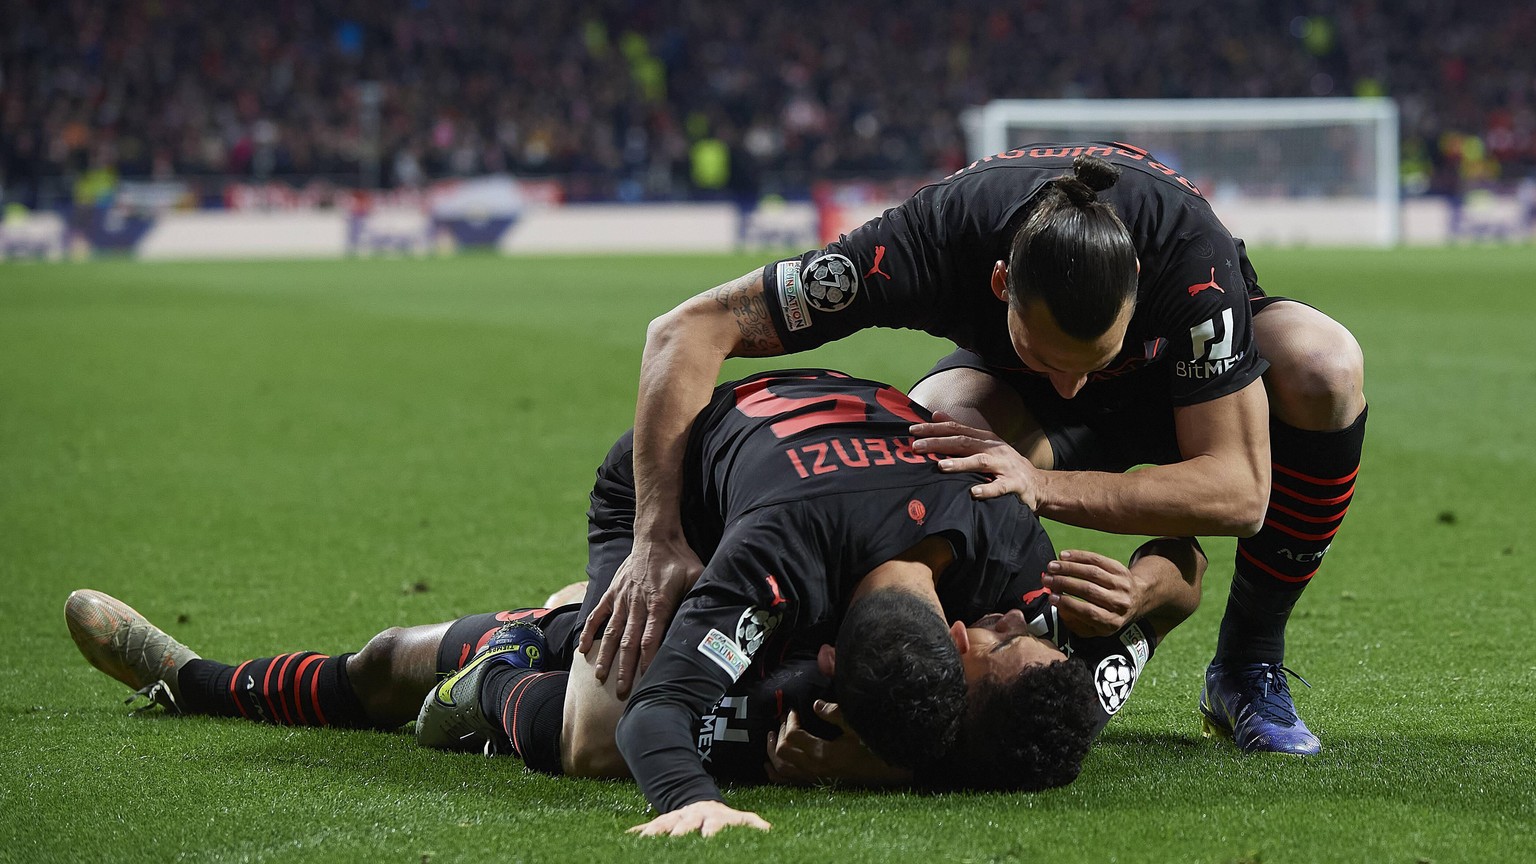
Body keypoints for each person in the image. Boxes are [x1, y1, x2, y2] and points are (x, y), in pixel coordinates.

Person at [66, 368, 1205, 836]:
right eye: (1016, 629)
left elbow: (1177, 578)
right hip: (679, 492)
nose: (1028, 622)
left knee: (754, 708)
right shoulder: (804, 564)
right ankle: (506, 661)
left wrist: (1143, 586)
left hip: (826, 502)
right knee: (600, 733)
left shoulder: (1049, 666)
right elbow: (663, 724)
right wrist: (692, 800)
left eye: (1017, 638)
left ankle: (210, 681)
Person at [590, 142, 1365, 756]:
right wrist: (657, 536)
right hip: (1002, 397)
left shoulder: (1186, 258)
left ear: (1135, 277)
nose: (1070, 390)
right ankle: (878, 673)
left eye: (1089, 360)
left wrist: (1041, 485)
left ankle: (1247, 665)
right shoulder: (929, 240)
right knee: (928, 435)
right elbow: (687, 330)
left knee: (1322, 367)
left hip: (1181, 387)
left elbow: (1238, 495)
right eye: (1047, 355)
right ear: (998, 284)